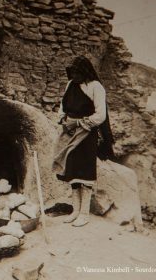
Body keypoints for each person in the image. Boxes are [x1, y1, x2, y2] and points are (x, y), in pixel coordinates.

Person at [53, 55, 115, 227]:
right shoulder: (70, 84)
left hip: (86, 133)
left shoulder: (96, 87)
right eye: (71, 73)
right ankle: (75, 210)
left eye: (77, 73)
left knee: (84, 171)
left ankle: (84, 214)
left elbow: (100, 115)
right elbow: (62, 106)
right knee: (71, 169)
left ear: (85, 72)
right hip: (69, 132)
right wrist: (63, 120)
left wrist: (79, 122)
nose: (74, 76)